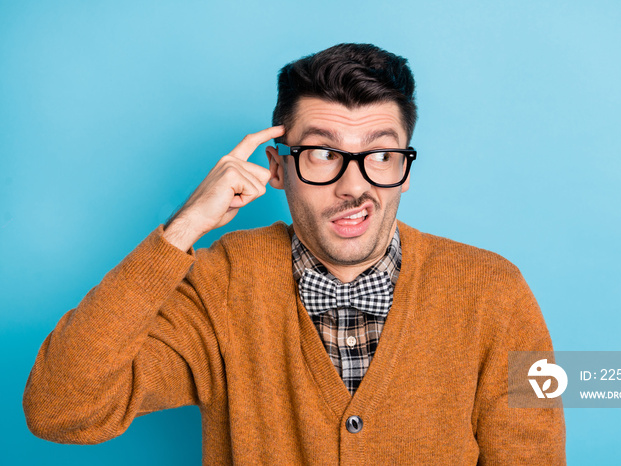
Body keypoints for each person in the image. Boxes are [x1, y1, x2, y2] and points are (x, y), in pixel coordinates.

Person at [24, 43, 566, 464]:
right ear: (278, 167)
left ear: (405, 169)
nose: (354, 186)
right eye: (323, 153)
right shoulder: (220, 285)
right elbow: (60, 409)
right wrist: (183, 230)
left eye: (380, 154)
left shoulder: (494, 290)